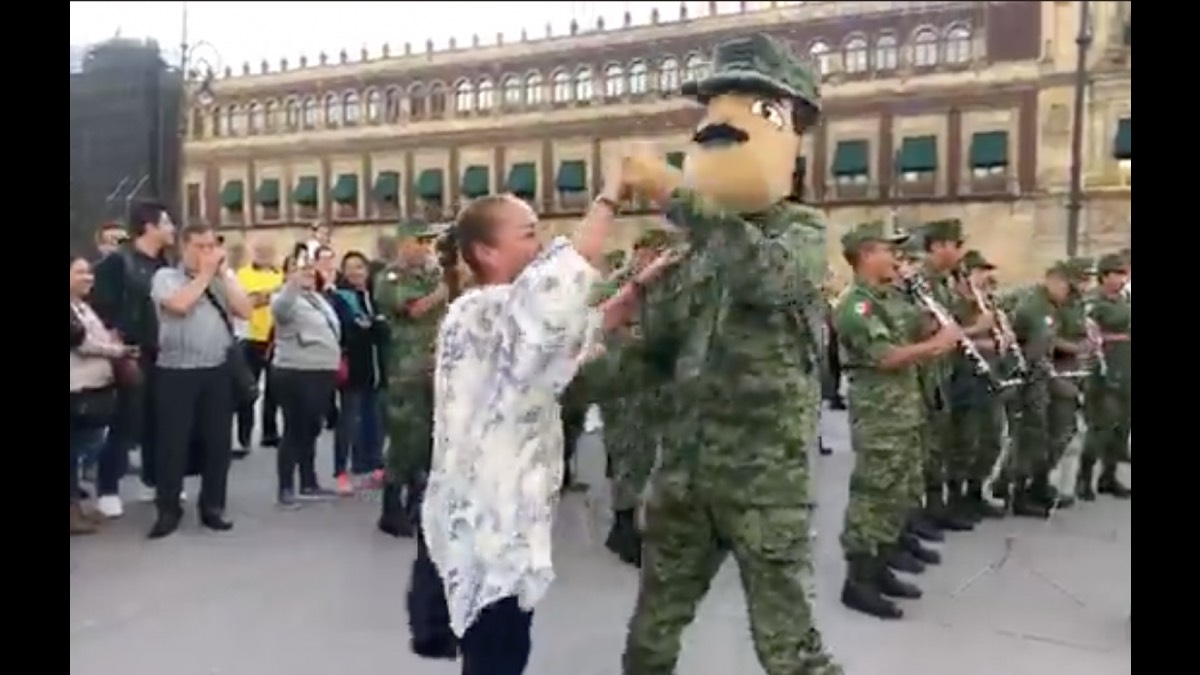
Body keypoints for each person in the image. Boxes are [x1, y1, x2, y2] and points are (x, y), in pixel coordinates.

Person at [617, 34, 843, 675]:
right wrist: (556, 380)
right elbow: (651, 355)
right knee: (650, 636)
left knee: (790, 650)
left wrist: (680, 199)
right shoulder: (689, 249)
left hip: (763, 486)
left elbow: (768, 280)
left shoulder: (802, 233)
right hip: (685, 480)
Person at [414, 185, 678, 674]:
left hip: (501, 520)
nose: (540, 247)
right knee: (497, 655)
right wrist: (610, 197)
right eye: (529, 234)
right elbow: (557, 297)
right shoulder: (482, 310)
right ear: (487, 252)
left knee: (503, 650)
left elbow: (578, 331)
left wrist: (639, 288)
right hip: (487, 527)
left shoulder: (506, 314)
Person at [835, 221, 961, 619]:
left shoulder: (889, 298)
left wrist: (929, 318)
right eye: (889, 251)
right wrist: (935, 344)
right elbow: (887, 356)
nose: (897, 259)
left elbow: (915, 334)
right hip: (879, 417)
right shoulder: (856, 305)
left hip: (906, 409)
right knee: (873, 494)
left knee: (898, 490)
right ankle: (858, 580)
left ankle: (881, 564)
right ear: (867, 255)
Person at [146, 223, 252, 539]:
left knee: (217, 442)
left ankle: (213, 507)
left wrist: (225, 276)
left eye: (212, 245)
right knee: (173, 444)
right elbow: (178, 305)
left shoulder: (219, 280)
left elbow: (245, 310)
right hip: (176, 371)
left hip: (216, 370)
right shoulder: (165, 277)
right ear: (185, 247)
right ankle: (168, 509)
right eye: (201, 246)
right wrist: (204, 276)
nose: (208, 252)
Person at [89, 200, 174, 518]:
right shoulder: (118, 263)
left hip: (162, 351)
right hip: (131, 352)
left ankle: (154, 479)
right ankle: (108, 487)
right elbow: (100, 304)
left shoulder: (164, 264)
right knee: (126, 421)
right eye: (166, 223)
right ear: (149, 226)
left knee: (160, 418)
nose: (171, 229)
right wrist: (114, 339)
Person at [375, 223, 449, 538]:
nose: (426, 247)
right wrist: (444, 290)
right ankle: (391, 510)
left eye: (430, 242)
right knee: (405, 439)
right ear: (404, 243)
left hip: (437, 366)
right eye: (421, 241)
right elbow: (415, 309)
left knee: (431, 439)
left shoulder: (433, 276)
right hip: (406, 370)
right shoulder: (391, 278)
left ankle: (418, 507)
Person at [913, 218, 975, 534]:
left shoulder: (942, 282)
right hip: (924, 376)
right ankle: (919, 515)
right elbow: (930, 328)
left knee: (941, 444)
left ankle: (937, 508)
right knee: (925, 447)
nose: (961, 252)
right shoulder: (920, 282)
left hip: (943, 373)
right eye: (956, 244)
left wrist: (966, 295)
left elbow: (956, 319)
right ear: (937, 246)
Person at [269, 249, 342, 506]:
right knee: (294, 429)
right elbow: (281, 310)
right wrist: (293, 284)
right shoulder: (285, 298)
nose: (308, 274)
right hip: (296, 372)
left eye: (311, 270)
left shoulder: (317, 299)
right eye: (301, 269)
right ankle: (286, 486)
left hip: (321, 371)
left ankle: (309, 482)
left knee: (312, 428)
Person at [71, 255, 136, 534]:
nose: (89, 278)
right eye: (80, 273)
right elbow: (81, 343)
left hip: (91, 386)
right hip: (75, 388)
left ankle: (75, 507)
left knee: (79, 449)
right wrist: (118, 351)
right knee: (74, 451)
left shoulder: (82, 306)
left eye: (89, 273)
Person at [1008, 263, 1075, 519]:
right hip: (1028, 380)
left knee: (1041, 435)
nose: (1067, 293)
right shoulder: (1033, 307)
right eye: (1065, 286)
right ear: (1053, 281)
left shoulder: (1048, 306)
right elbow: (1028, 347)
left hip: (1040, 378)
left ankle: (1035, 488)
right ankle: (1019, 495)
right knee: (1029, 437)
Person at [945, 250, 1006, 521]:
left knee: (991, 436)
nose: (985, 276)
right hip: (965, 375)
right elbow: (946, 338)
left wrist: (1002, 336)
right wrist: (978, 330)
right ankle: (956, 497)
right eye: (980, 271)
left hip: (990, 373)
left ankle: (976, 490)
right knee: (965, 439)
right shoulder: (954, 302)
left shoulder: (989, 301)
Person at [330, 251, 388, 494]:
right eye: (350, 268)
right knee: (349, 421)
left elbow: (383, 328)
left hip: (376, 368)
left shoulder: (373, 296)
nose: (355, 272)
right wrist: (373, 324)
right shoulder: (339, 298)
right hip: (352, 368)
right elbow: (352, 327)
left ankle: (373, 465)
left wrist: (372, 324)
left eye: (360, 267)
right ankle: (341, 471)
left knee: (375, 419)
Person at [1080, 253, 1131, 499]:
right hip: (1103, 371)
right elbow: (1090, 334)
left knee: (1121, 427)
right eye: (1118, 273)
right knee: (1101, 426)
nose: (1123, 279)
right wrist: (1120, 337)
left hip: (1126, 370)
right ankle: (1084, 478)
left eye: (1125, 273)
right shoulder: (1094, 302)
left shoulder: (1125, 299)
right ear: (1105, 275)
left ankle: (1108, 477)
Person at [234, 239, 283, 454]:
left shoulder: (279, 275)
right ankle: (244, 437)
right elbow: (245, 301)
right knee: (248, 390)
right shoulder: (242, 275)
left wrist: (263, 297)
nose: (264, 254)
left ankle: (269, 433)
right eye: (260, 250)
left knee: (274, 389)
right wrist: (268, 296)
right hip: (250, 337)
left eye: (268, 251)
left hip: (274, 337)